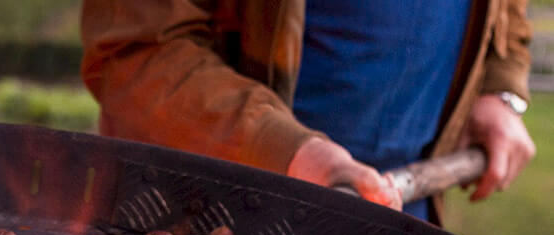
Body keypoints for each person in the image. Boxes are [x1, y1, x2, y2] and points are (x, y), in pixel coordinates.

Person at [80, 0, 536, 223]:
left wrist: (500, 88)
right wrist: (287, 150)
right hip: (204, 226)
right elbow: (134, 53)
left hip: (403, 218)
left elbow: (508, 12)